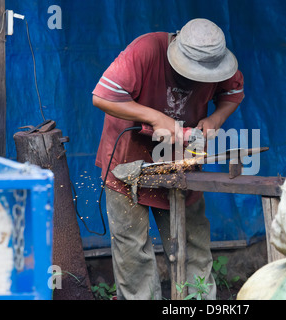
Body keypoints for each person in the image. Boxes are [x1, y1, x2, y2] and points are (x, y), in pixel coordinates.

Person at [92, 18, 244, 300]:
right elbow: (102, 97)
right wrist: (156, 118)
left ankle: (198, 300)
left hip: (181, 160)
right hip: (128, 158)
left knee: (191, 240)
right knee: (133, 248)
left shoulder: (215, 60)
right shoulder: (146, 50)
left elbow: (233, 93)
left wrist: (215, 118)